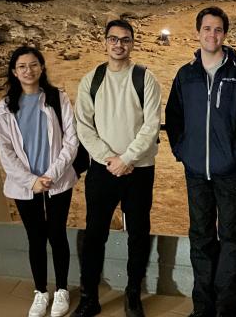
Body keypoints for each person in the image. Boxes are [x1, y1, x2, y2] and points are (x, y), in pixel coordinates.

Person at [165, 6, 236, 317]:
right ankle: (203, 306)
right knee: (201, 237)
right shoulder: (186, 74)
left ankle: (226, 305)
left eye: (218, 29)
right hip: (196, 172)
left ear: (225, 33)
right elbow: (174, 116)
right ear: (198, 32)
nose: (212, 34)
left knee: (233, 237)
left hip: (230, 170)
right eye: (207, 28)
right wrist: (182, 151)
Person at [73, 20, 162, 317]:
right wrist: (109, 158)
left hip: (139, 169)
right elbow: (84, 127)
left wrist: (128, 158)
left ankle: (133, 294)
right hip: (103, 169)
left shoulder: (145, 78)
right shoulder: (91, 80)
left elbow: (151, 125)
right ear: (105, 42)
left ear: (132, 43)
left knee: (138, 232)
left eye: (125, 39)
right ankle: (89, 297)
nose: (119, 45)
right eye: (113, 39)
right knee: (95, 233)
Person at [0, 46, 79, 317]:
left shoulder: (57, 98)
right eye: (22, 66)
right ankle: (41, 292)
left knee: (57, 234)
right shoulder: (5, 107)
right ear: (14, 72)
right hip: (25, 185)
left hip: (57, 180)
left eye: (33, 65)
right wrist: (30, 180)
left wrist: (51, 174)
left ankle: (62, 289)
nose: (28, 71)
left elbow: (71, 140)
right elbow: (5, 149)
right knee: (35, 237)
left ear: (42, 67)